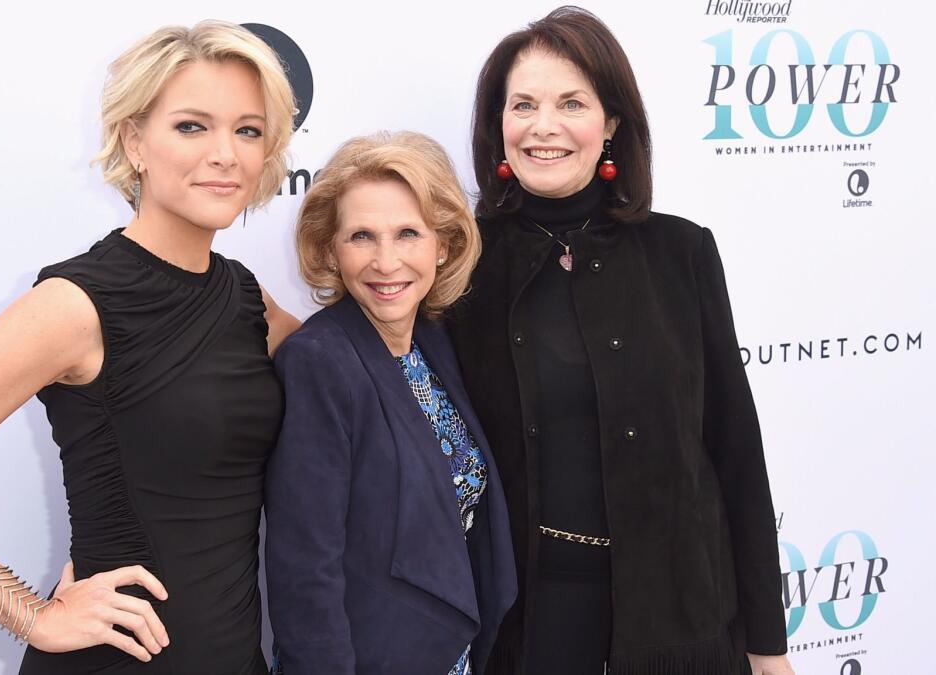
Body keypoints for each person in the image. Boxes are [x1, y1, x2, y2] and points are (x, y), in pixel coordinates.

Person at [0, 21, 299, 674]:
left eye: (247, 130)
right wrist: (33, 614)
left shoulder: (245, 297)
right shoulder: (76, 303)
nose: (226, 152)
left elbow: (342, 364)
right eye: (192, 126)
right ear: (134, 140)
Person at [447, 7, 795, 675]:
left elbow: (736, 453)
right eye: (523, 104)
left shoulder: (681, 252)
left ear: (609, 123)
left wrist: (768, 643)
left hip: (682, 613)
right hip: (529, 621)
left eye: (571, 102)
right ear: (498, 127)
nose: (543, 126)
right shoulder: (463, 263)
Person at [264, 131, 516, 675]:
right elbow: (306, 564)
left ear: (442, 244)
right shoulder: (320, 360)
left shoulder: (433, 340)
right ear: (331, 249)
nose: (386, 261)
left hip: (450, 655)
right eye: (361, 236)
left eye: (407, 234)